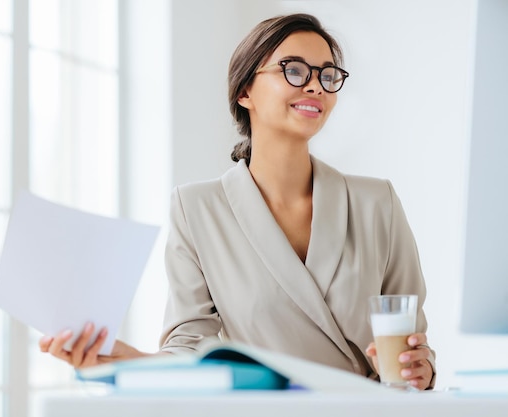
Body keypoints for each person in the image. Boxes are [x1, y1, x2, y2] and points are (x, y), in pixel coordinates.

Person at [39, 13, 436, 390]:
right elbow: (189, 348)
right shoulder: (196, 209)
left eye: (327, 75)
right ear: (245, 90)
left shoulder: (376, 202)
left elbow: (410, 342)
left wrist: (421, 367)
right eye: (294, 70)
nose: (315, 86)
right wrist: (119, 361)